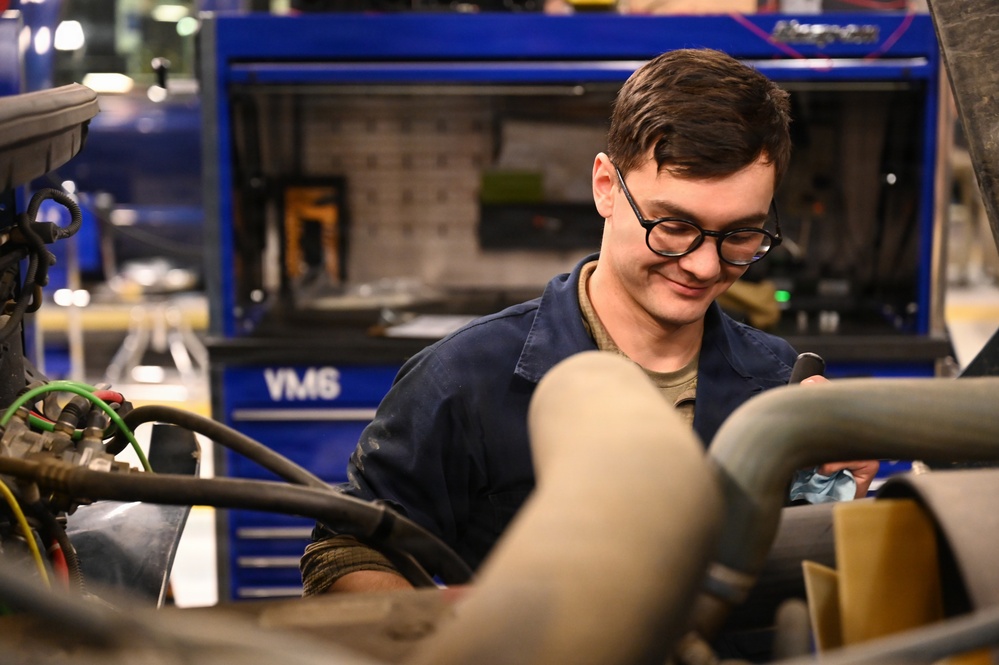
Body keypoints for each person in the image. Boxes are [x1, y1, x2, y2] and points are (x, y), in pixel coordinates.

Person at [300, 48, 879, 595]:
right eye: (674, 227)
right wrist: (457, 634)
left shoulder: (778, 384)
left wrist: (838, 497)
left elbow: (797, 593)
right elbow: (346, 552)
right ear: (606, 186)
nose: (705, 265)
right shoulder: (466, 378)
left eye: (741, 234)